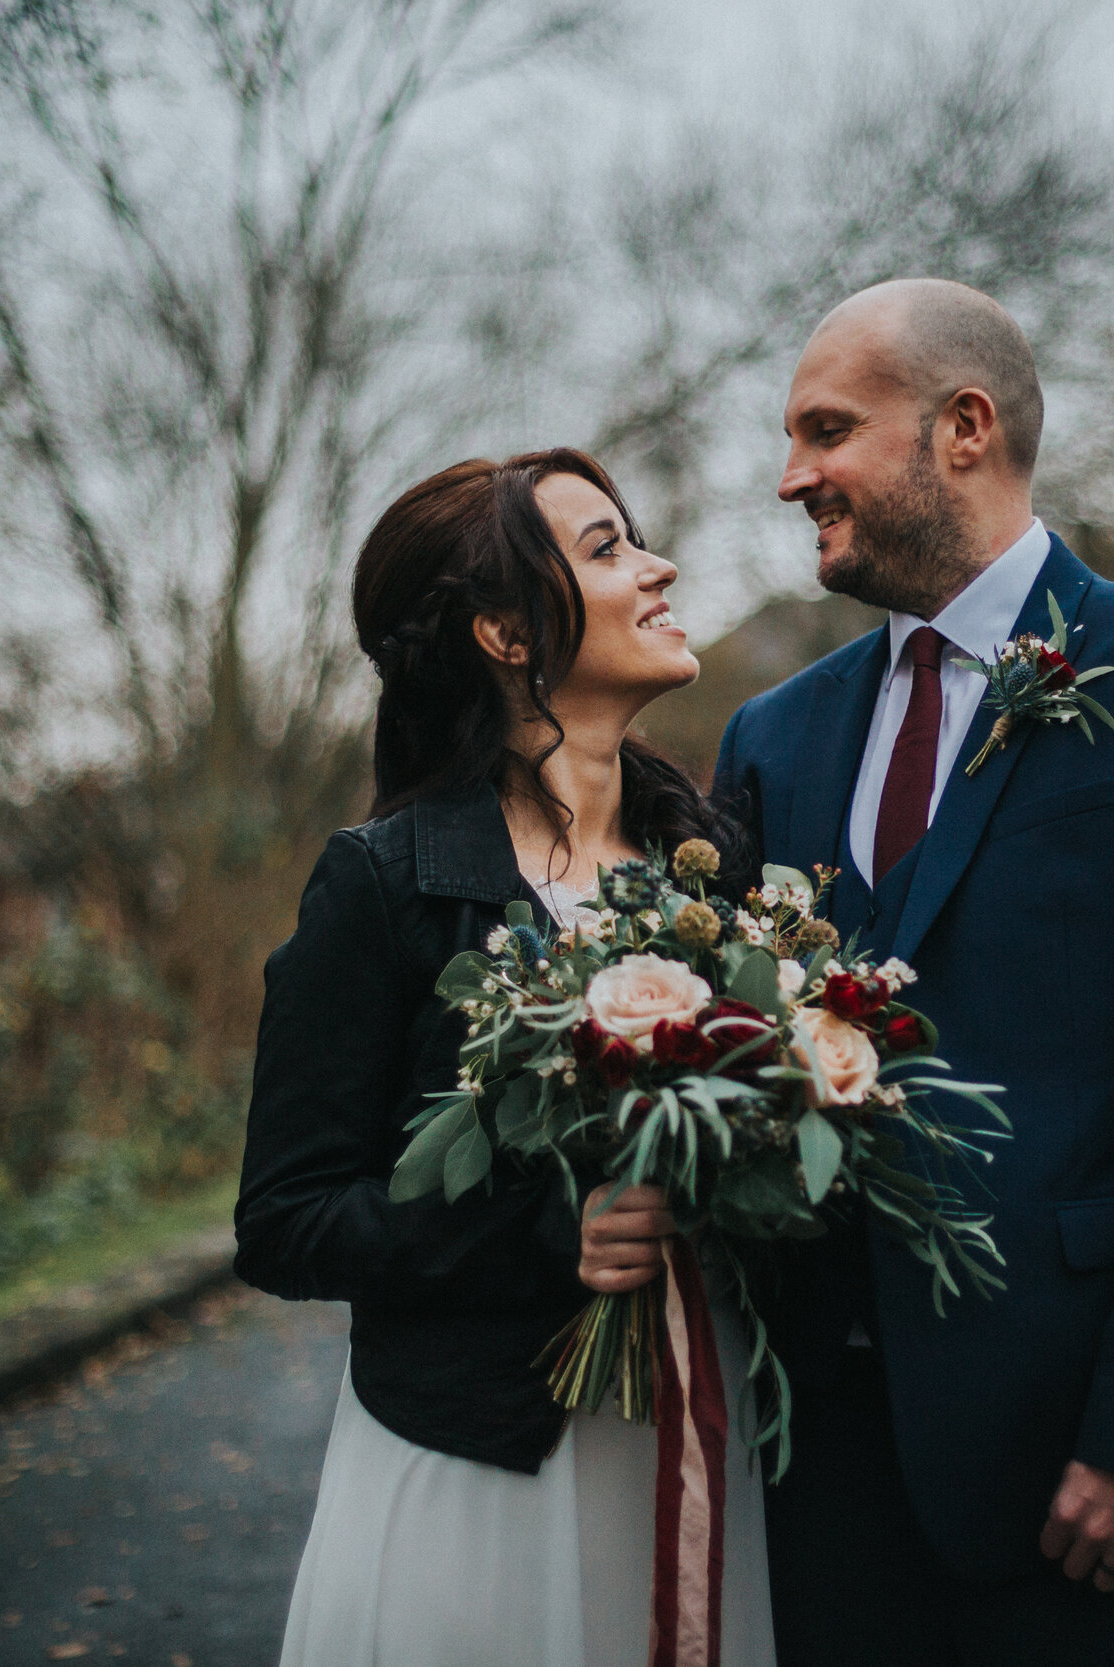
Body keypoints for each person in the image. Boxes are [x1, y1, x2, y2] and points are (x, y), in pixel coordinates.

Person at [585, 279, 1114, 1664]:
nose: (790, 474)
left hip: (1103, 1483)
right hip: (838, 1486)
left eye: (825, 429)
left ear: (963, 427)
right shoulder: (774, 738)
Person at [234, 449, 775, 1667]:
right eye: (604, 547)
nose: (658, 565)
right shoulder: (383, 886)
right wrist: (546, 1232)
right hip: (487, 1475)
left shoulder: (714, 864)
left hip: (698, 1432)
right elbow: (284, 1218)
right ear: (504, 631)